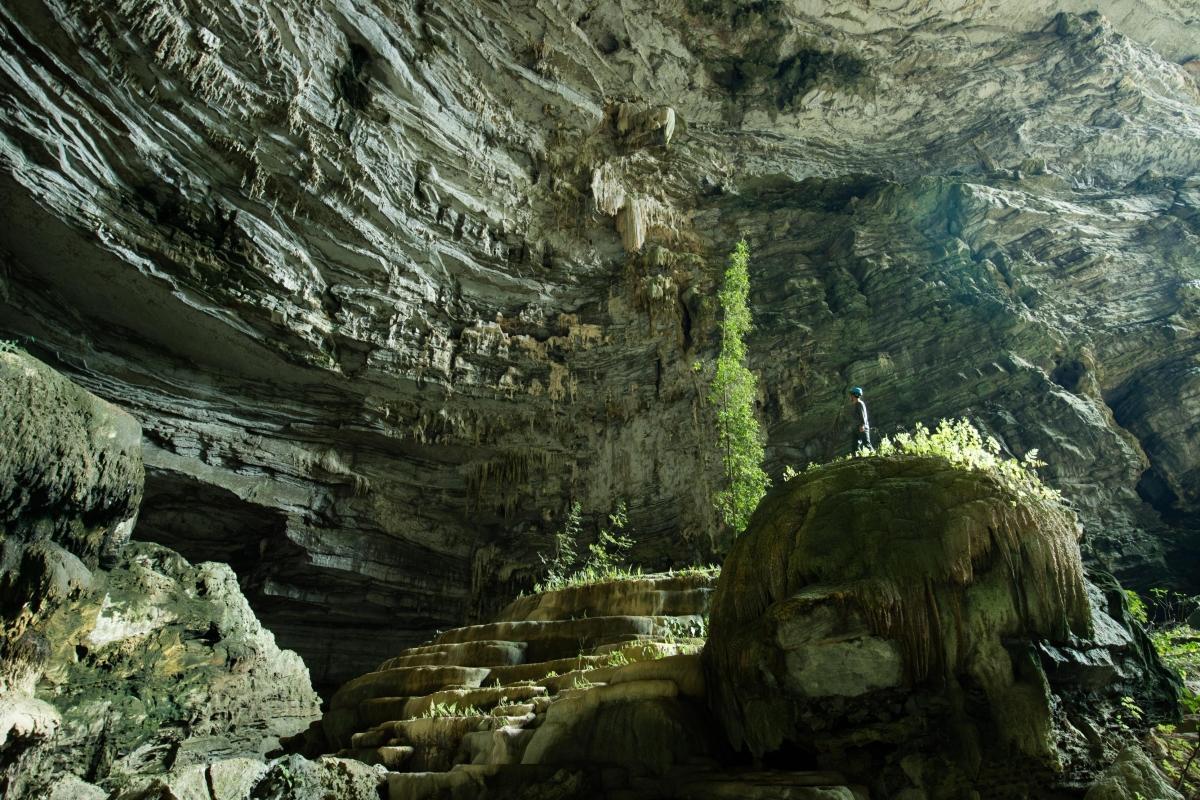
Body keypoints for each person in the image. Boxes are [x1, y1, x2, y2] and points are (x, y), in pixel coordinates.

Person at [849, 387, 871, 452]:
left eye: (851, 395)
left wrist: (862, 425)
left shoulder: (859, 403)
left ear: (854, 395)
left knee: (867, 445)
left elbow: (863, 415)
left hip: (862, 428)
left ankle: (875, 458)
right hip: (856, 428)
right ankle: (855, 459)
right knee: (854, 446)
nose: (850, 396)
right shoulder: (856, 404)